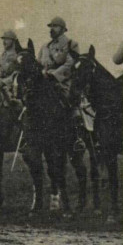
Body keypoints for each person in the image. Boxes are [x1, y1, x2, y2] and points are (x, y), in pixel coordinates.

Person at [37, 17, 85, 151]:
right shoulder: (45, 47)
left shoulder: (71, 44)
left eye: (55, 26)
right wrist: (41, 74)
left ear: (63, 29)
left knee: (70, 102)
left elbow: (71, 63)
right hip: (45, 81)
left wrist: (54, 75)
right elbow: (38, 64)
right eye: (50, 26)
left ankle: (77, 137)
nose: (52, 29)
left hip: (64, 81)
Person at [0, 30, 21, 105]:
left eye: (7, 39)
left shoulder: (17, 56)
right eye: (3, 39)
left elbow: (17, 73)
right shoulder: (1, 55)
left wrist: (4, 82)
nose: (4, 41)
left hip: (10, 87)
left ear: (13, 41)